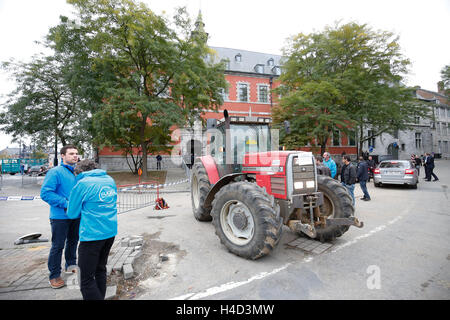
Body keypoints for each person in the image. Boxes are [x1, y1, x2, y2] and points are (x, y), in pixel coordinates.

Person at [67, 159, 118, 300]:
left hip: (91, 235)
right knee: (100, 269)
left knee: (86, 279)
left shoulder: (82, 184)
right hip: (110, 232)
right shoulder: (109, 179)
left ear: (80, 172)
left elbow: (72, 213)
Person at [40, 144, 80, 289]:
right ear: (62, 156)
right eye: (71, 154)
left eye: (76, 153)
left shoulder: (77, 173)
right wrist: (66, 203)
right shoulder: (55, 172)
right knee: (58, 246)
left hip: (75, 215)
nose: (75, 156)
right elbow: (45, 193)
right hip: (60, 216)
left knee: (73, 242)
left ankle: (70, 265)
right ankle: (54, 275)